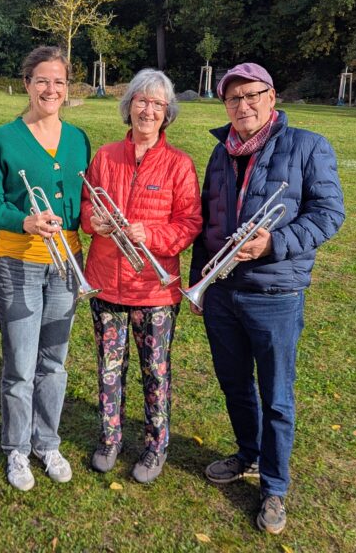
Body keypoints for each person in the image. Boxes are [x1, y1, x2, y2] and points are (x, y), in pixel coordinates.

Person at [189, 63, 345, 534]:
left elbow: (329, 213)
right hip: (221, 292)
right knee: (234, 384)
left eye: (252, 95)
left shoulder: (308, 146)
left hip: (274, 292)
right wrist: (199, 281)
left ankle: (274, 487)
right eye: (233, 99)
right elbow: (209, 222)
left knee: (276, 396)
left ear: (271, 97)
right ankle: (247, 454)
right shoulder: (221, 153)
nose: (244, 105)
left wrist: (274, 243)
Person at [0, 46, 90, 492]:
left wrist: (91, 217)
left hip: (66, 265)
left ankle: (48, 441)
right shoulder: (3, 138)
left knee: (54, 364)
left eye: (59, 81)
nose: (51, 89)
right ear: (26, 84)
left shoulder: (78, 139)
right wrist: (24, 220)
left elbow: (82, 202)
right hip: (18, 265)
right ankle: (17, 449)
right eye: (42, 80)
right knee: (21, 366)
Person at [79, 69, 201, 483]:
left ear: (167, 113)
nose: (148, 110)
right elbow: (85, 209)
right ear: (128, 105)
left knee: (156, 370)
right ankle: (110, 437)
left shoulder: (179, 165)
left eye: (157, 104)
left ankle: (156, 444)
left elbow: (189, 224)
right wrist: (95, 221)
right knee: (109, 367)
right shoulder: (105, 156)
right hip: (106, 281)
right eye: (141, 101)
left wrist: (150, 233)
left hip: (154, 288)